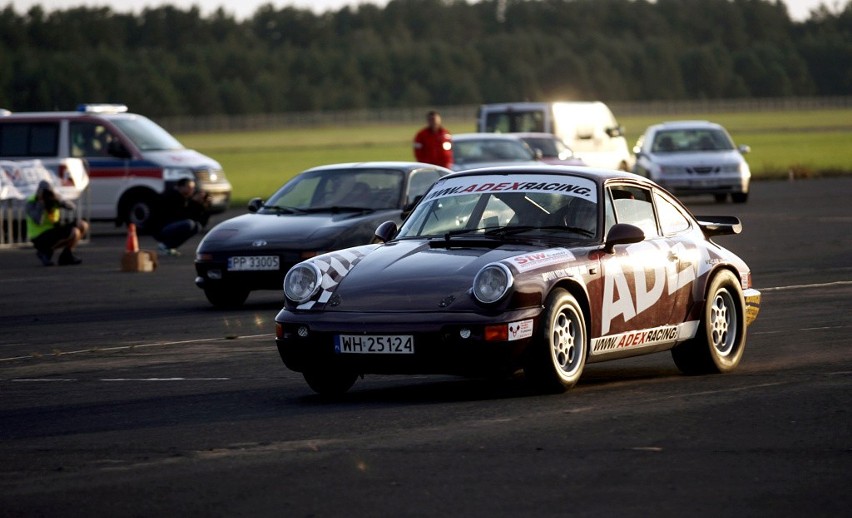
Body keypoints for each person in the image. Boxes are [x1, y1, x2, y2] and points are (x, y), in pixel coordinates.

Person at [25, 180, 89, 266]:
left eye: (49, 192)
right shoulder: (32, 202)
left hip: (53, 230)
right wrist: (41, 203)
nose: (47, 195)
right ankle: (45, 252)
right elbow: (38, 221)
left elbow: (72, 207)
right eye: (45, 193)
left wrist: (59, 200)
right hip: (39, 236)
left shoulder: (54, 199)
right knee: (74, 232)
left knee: (82, 225)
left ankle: (66, 256)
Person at [151, 177, 210, 256]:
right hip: (161, 229)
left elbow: (201, 222)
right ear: (181, 187)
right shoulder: (172, 196)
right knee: (189, 224)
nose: (192, 190)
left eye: (193, 188)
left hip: (169, 226)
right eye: (189, 187)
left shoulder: (185, 199)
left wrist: (204, 206)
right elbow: (182, 215)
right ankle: (164, 246)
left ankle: (169, 247)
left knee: (196, 226)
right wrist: (193, 203)